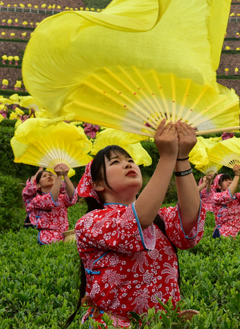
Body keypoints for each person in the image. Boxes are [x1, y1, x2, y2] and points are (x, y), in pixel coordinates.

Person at [68, 120, 204, 327]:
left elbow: (190, 217)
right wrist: (167, 157)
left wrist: (182, 158)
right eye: (115, 162)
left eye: (130, 160)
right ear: (96, 184)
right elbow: (138, 219)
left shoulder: (160, 217)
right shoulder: (89, 223)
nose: (129, 164)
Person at [26, 164, 77, 244]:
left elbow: (72, 198)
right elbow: (50, 199)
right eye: (44, 176)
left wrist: (65, 175)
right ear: (38, 185)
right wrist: (59, 176)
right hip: (47, 238)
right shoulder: (36, 200)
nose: (48, 177)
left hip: (63, 236)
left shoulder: (61, 197)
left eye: (50, 175)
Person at [211, 166, 240, 238]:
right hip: (223, 233)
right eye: (226, 180)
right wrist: (236, 175)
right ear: (218, 186)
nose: (230, 181)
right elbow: (228, 196)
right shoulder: (215, 196)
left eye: (230, 180)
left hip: (238, 233)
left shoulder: (236, 196)